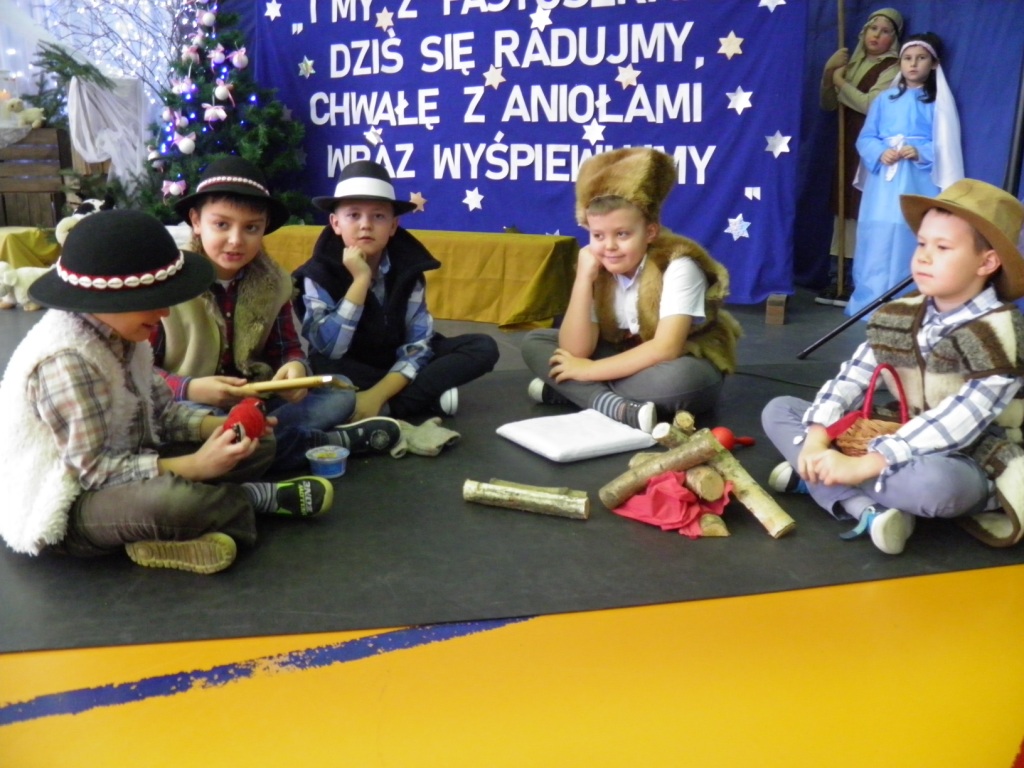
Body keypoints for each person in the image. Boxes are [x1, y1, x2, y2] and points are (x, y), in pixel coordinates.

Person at [0, 210, 334, 575]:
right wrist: (196, 466)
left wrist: (218, 429)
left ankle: (187, 528)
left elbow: (163, 411)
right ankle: (246, 499)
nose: (163, 312)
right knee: (173, 503)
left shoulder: (125, 333)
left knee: (259, 444)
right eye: (152, 300)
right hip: (71, 500)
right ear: (106, 300)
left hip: (132, 459)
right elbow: (93, 473)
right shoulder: (67, 362)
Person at [762, 179, 1024, 555]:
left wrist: (866, 463)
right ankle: (865, 505)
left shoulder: (1000, 331)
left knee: (939, 487)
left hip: (967, 454)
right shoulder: (901, 313)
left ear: (987, 262)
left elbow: (961, 418)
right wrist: (818, 436)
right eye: (921, 244)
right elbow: (854, 375)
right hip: (896, 430)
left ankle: (829, 483)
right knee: (780, 410)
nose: (924, 257)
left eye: (943, 248)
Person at [151, 156, 402, 474]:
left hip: (258, 400)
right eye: (222, 225)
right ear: (196, 222)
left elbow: (288, 349)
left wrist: (295, 368)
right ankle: (318, 443)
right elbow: (141, 374)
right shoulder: (168, 284)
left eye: (251, 228)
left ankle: (258, 444)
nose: (236, 240)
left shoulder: (274, 283)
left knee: (339, 391)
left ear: (264, 229)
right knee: (186, 427)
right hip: (190, 406)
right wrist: (191, 388)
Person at [520, 147, 741, 432]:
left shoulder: (678, 265)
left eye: (622, 234)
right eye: (598, 235)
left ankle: (575, 393)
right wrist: (583, 279)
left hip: (678, 360)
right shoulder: (597, 264)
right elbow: (575, 349)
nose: (609, 246)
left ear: (650, 232)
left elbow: (666, 348)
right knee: (536, 342)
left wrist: (589, 371)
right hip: (621, 353)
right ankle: (612, 404)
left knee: (682, 383)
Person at [293, 160, 499, 421]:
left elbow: (417, 344)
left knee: (482, 347)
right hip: (351, 362)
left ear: (393, 226)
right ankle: (423, 395)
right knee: (326, 369)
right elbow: (331, 348)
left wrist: (378, 395)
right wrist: (360, 281)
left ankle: (384, 405)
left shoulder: (408, 267)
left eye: (378, 216)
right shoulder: (317, 273)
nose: (366, 225)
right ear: (335, 223)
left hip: (394, 354)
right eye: (354, 215)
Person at [845, 32, 964, 318]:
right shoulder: (885, 100)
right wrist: (879, 152)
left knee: (909, 235)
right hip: (883, 183)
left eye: (921, 58)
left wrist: (920, 150)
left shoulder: (938, 103)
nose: (913, 64)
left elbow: (946, 144)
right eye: (907, 58)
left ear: (933, 64)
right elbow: (866, 137)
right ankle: (868, 303)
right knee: (877, 234)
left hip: (917, 182)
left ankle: (907, 304)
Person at [817, 7, 904, 307]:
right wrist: (829, 76)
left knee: (858, 208)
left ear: (894, 38)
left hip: (869, 146)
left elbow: (870, 104)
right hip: (845, 143)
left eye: (885, 31)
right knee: (840, 209)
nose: (876, 35)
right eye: (873, 28)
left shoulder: (892, 68)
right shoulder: (850, 64)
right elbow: (829, 104)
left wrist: (841, 83)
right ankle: (835, 276)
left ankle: (855, 279)